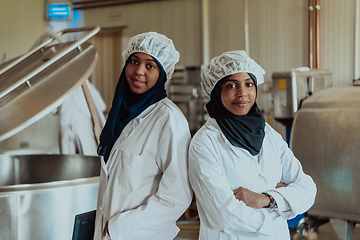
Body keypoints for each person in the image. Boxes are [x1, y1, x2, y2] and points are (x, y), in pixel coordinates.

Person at [188, 50, 316, 240]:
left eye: (249, 84)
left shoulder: (269, 134)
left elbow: (307, 190)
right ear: (216, 92)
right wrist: (280, 206)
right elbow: (225, 215)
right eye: (231, 85)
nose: (242, 93)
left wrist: (265, 199)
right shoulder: (204, 143)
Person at [93, 32, 192, 240]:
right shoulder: (120, 115)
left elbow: (178, 196)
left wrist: (119, 227)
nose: (138, 71)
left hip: (137, 233)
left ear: (162, 73)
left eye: (150, 66)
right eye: (134, 61)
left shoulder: (168, 119)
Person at [53, 80, 107, 156]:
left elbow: (54, 111)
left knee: (66, 160)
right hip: (81, 125)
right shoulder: (88, 86)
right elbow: (102, 109)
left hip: (65, 124)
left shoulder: (59, 89)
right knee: (88, 156)